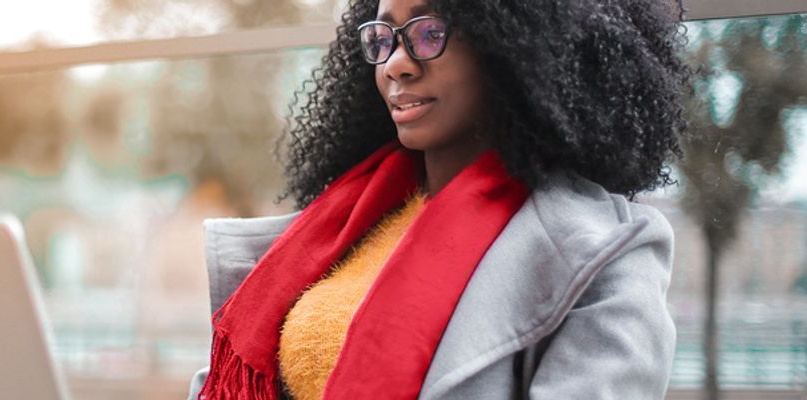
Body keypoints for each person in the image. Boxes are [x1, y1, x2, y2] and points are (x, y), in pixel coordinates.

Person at [187, 0, 691, 398]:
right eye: (383, 39)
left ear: (512, 45)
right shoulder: (347, 219)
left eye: (430, 33)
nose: (397, 64)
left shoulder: (609, 251)